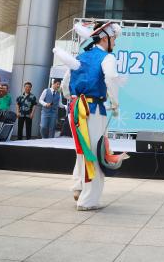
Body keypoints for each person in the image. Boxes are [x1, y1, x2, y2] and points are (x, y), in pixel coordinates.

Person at [58, 21, 124, 211]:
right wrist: (115, 102)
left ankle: (78, 187)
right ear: (105, 38)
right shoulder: (106, 57)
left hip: (76, 109)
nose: (115, 43)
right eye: (114, 39)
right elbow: (111, 78)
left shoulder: (81, 56)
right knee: (94, 152)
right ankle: (88, 200)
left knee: (82, 149)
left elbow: (65, 85)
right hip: (93, 110)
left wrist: (72, 98)